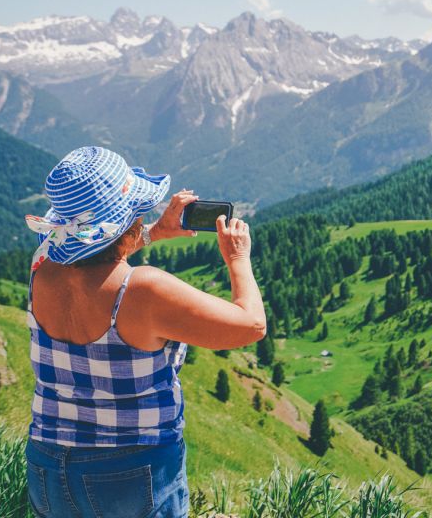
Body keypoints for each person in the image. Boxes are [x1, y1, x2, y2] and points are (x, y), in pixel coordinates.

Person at [22, 146, 265, 517]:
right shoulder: (142, 291)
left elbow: (95, 258)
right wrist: (238, 259)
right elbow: (251, 325)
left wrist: (155, 233)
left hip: (48, 465)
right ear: (127, 220)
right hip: (129, 471)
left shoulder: (43, 267)